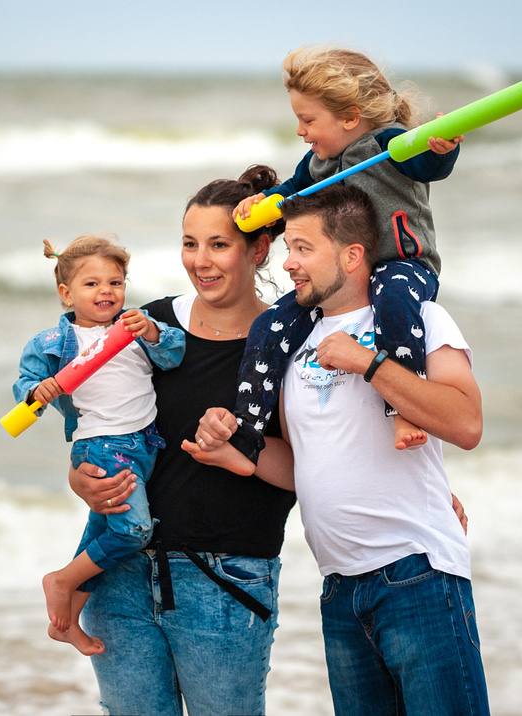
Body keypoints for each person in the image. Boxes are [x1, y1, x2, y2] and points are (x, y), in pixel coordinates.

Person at [66, 167, 468, 716]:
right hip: (131, 573)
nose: (200, 261)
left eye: (219, 245)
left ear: (258, 250)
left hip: (233, 579)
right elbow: (93, 416)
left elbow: (341, 449)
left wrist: (425, 489)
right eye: (189, 243)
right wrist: (79, 477)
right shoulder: (154, 326)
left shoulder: (289, 344)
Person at [193, 183, 489, 715]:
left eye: (303, 249)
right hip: (339, 591)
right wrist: (238, 453)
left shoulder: (418, 319)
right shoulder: (292, 341)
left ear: (352, 256)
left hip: (417, 575)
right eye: (288, 249)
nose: (289, 265)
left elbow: (467, 424)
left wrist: (369, 363)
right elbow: (306, 463)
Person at [229, 44, 464, 464]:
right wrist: (260, 204)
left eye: (308, 120)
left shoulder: (392, 144)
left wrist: (442, 147)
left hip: (402, 265)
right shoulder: (317, 163)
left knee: (392, 299)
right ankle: (247, 434)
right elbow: (291, 197)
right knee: (268, 326)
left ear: (350, 117)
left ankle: (404, 411)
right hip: (339, 276)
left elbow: (429, 164)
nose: (301, 131)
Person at [12, 233, 185, 656]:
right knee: (135, 531)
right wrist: (38, 392)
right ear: (66, 294)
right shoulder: (54, 344)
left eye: (116, 282)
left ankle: (66, 619)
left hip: (145, 443)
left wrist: (154, 333)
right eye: (92, 284)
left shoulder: (133, 326)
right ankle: (62, 581)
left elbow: (174, 355)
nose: (106, 291)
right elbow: (24, 387)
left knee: (102, 529)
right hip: (102, 445)